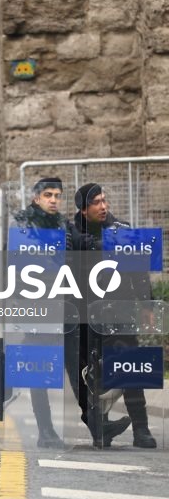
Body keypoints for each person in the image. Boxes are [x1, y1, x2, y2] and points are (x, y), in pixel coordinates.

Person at [66, 182, 155, 448]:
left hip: (120, 310)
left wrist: (147, 306)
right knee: (90, 375)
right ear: (83, 210)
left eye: (104, 201)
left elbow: (139, 273)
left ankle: (142, 429)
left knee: (129, 368)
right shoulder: (71, 235)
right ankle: (99, 428)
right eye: (96, 203)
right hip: (85, 314)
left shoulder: (123, 231)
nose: (103, 207)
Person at [9, 177, 68, 448]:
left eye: (57, 195)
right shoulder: (22, 224)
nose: (53, 199)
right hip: (34, 304)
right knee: (38, 366)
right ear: (36, 198)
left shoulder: (64, 225)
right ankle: (45, 429)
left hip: (63, 301)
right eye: (48, 195)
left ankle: (94, 423)